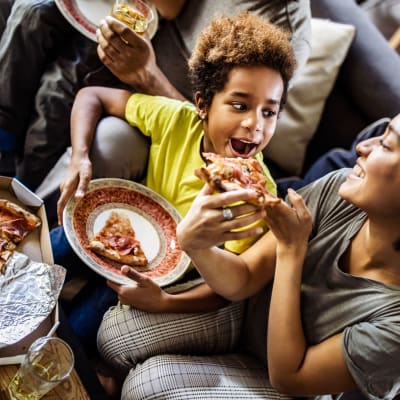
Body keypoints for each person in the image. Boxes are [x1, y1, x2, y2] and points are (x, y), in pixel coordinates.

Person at [54, 11, 297, 365]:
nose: (254, 124)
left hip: (156, 279)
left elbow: (225, 291)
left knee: (71, 337)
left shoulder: (255, 198)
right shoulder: (177, 120)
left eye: (269, 112)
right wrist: (79, 158)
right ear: (202, 104)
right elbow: (92, 96)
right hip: (119, 227)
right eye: (240, 105)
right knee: (35, 258)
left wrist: (164, 303)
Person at [152, 112, 400, 399]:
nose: (362, 146)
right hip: (247, 316)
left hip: (286, 385)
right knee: (115, 335)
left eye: (386, 144)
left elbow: (289, 378)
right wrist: (196, 246)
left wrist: (291, 250)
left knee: (148, 383)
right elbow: (243, 278)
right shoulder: (339, 187)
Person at [0, 0, 311, 190]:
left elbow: (213, 128)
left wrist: (146, 75)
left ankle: (20, 196)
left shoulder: (281, 35)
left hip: (156, 98)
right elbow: (170, 9)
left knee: (62, 83)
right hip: (135, 38)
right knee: (31, 9)